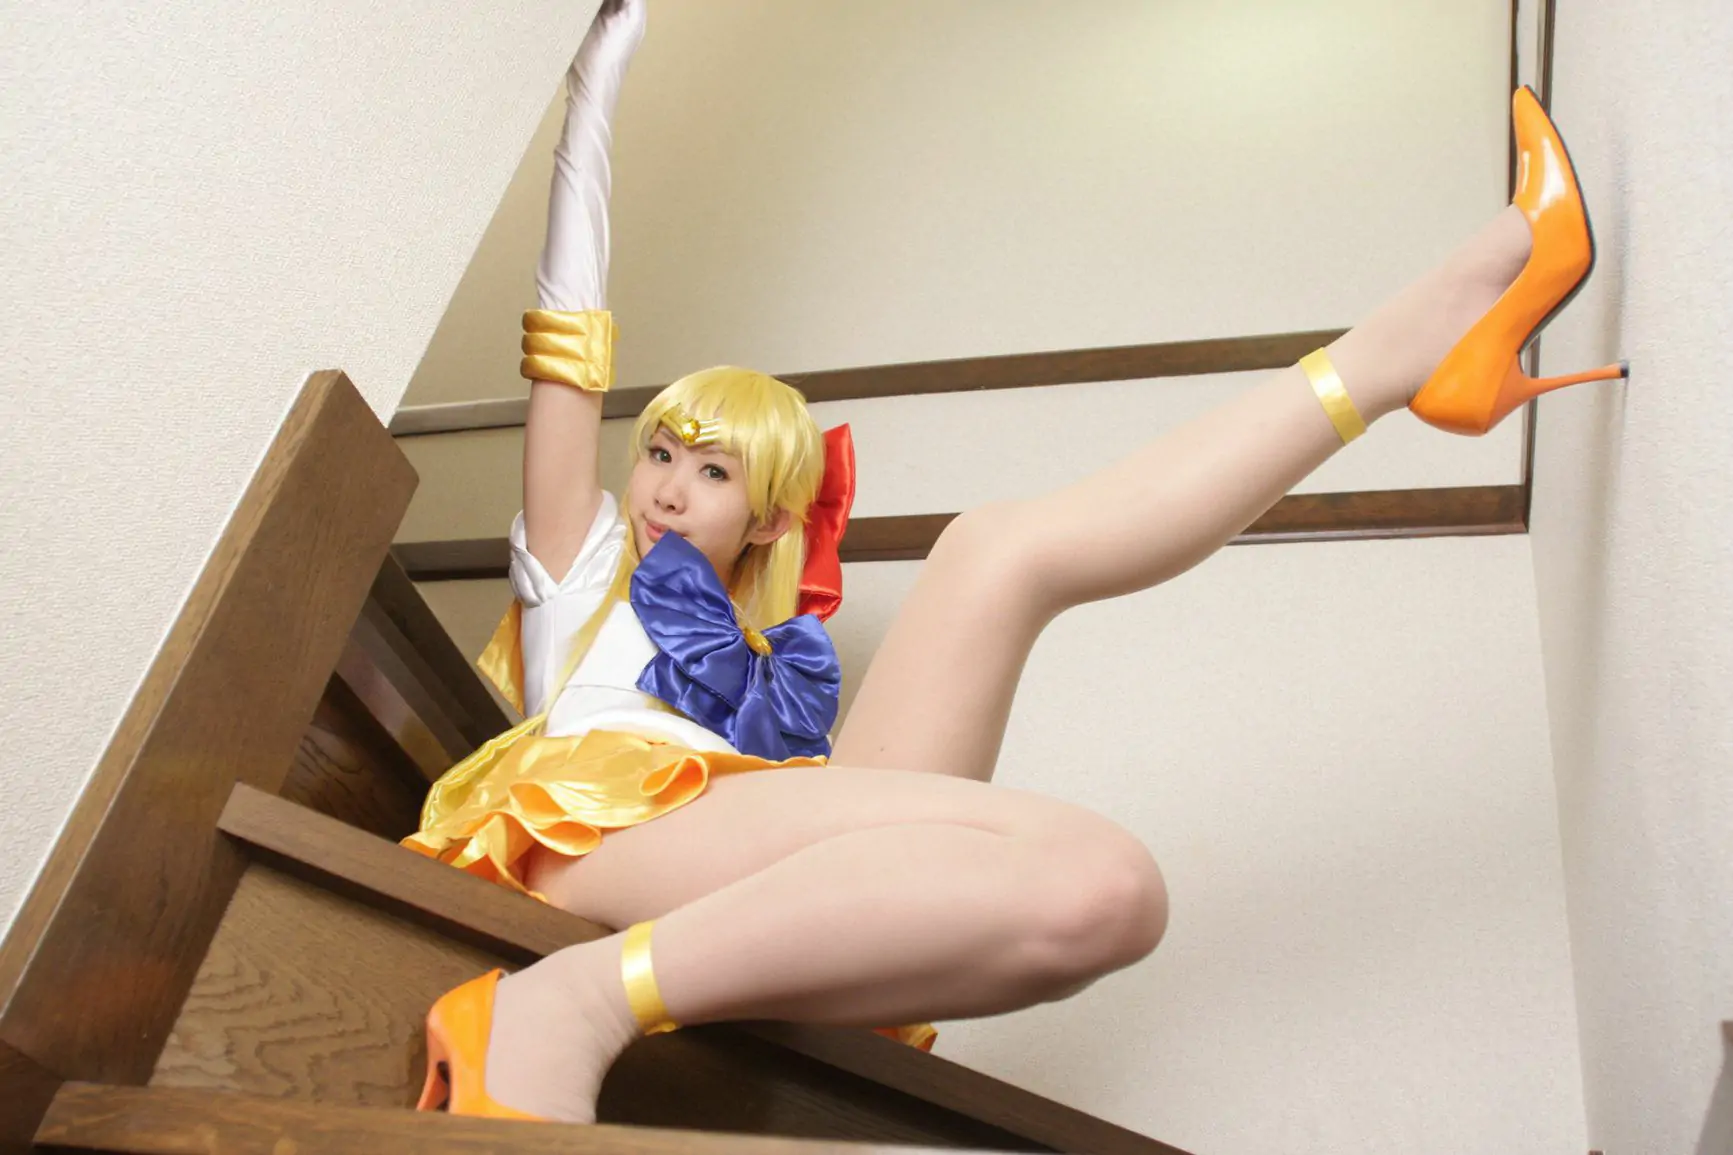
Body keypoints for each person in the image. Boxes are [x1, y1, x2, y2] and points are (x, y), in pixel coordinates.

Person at [403, 0, 1626, 1122]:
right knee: (1101, 883)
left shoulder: (778, 664)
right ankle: (569, 1003)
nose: (668, 484)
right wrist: (592, 92)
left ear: (770, 522)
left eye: (712, 472)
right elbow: (565, 355)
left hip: (744, 848)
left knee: (994, 549)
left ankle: (1409, 352)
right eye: (660, 453)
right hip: (593, 837)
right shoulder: (586, 572)